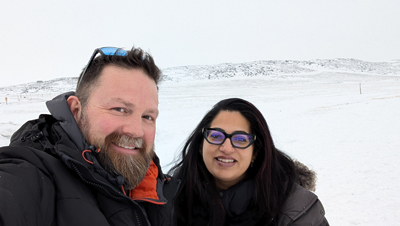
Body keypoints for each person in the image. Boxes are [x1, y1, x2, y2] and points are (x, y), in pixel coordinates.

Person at [0, 46, 179, 226]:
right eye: (119, 109)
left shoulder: (157, 185)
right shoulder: (32, 174)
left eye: (148, 117)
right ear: (76, 110)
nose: (136, 131)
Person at [169, 98, 329, 226]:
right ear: (200, 145)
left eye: (240, 139)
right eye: (216, 136)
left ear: (255, 153)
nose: (226, 148)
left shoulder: (295, 211)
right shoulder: (171, 196)